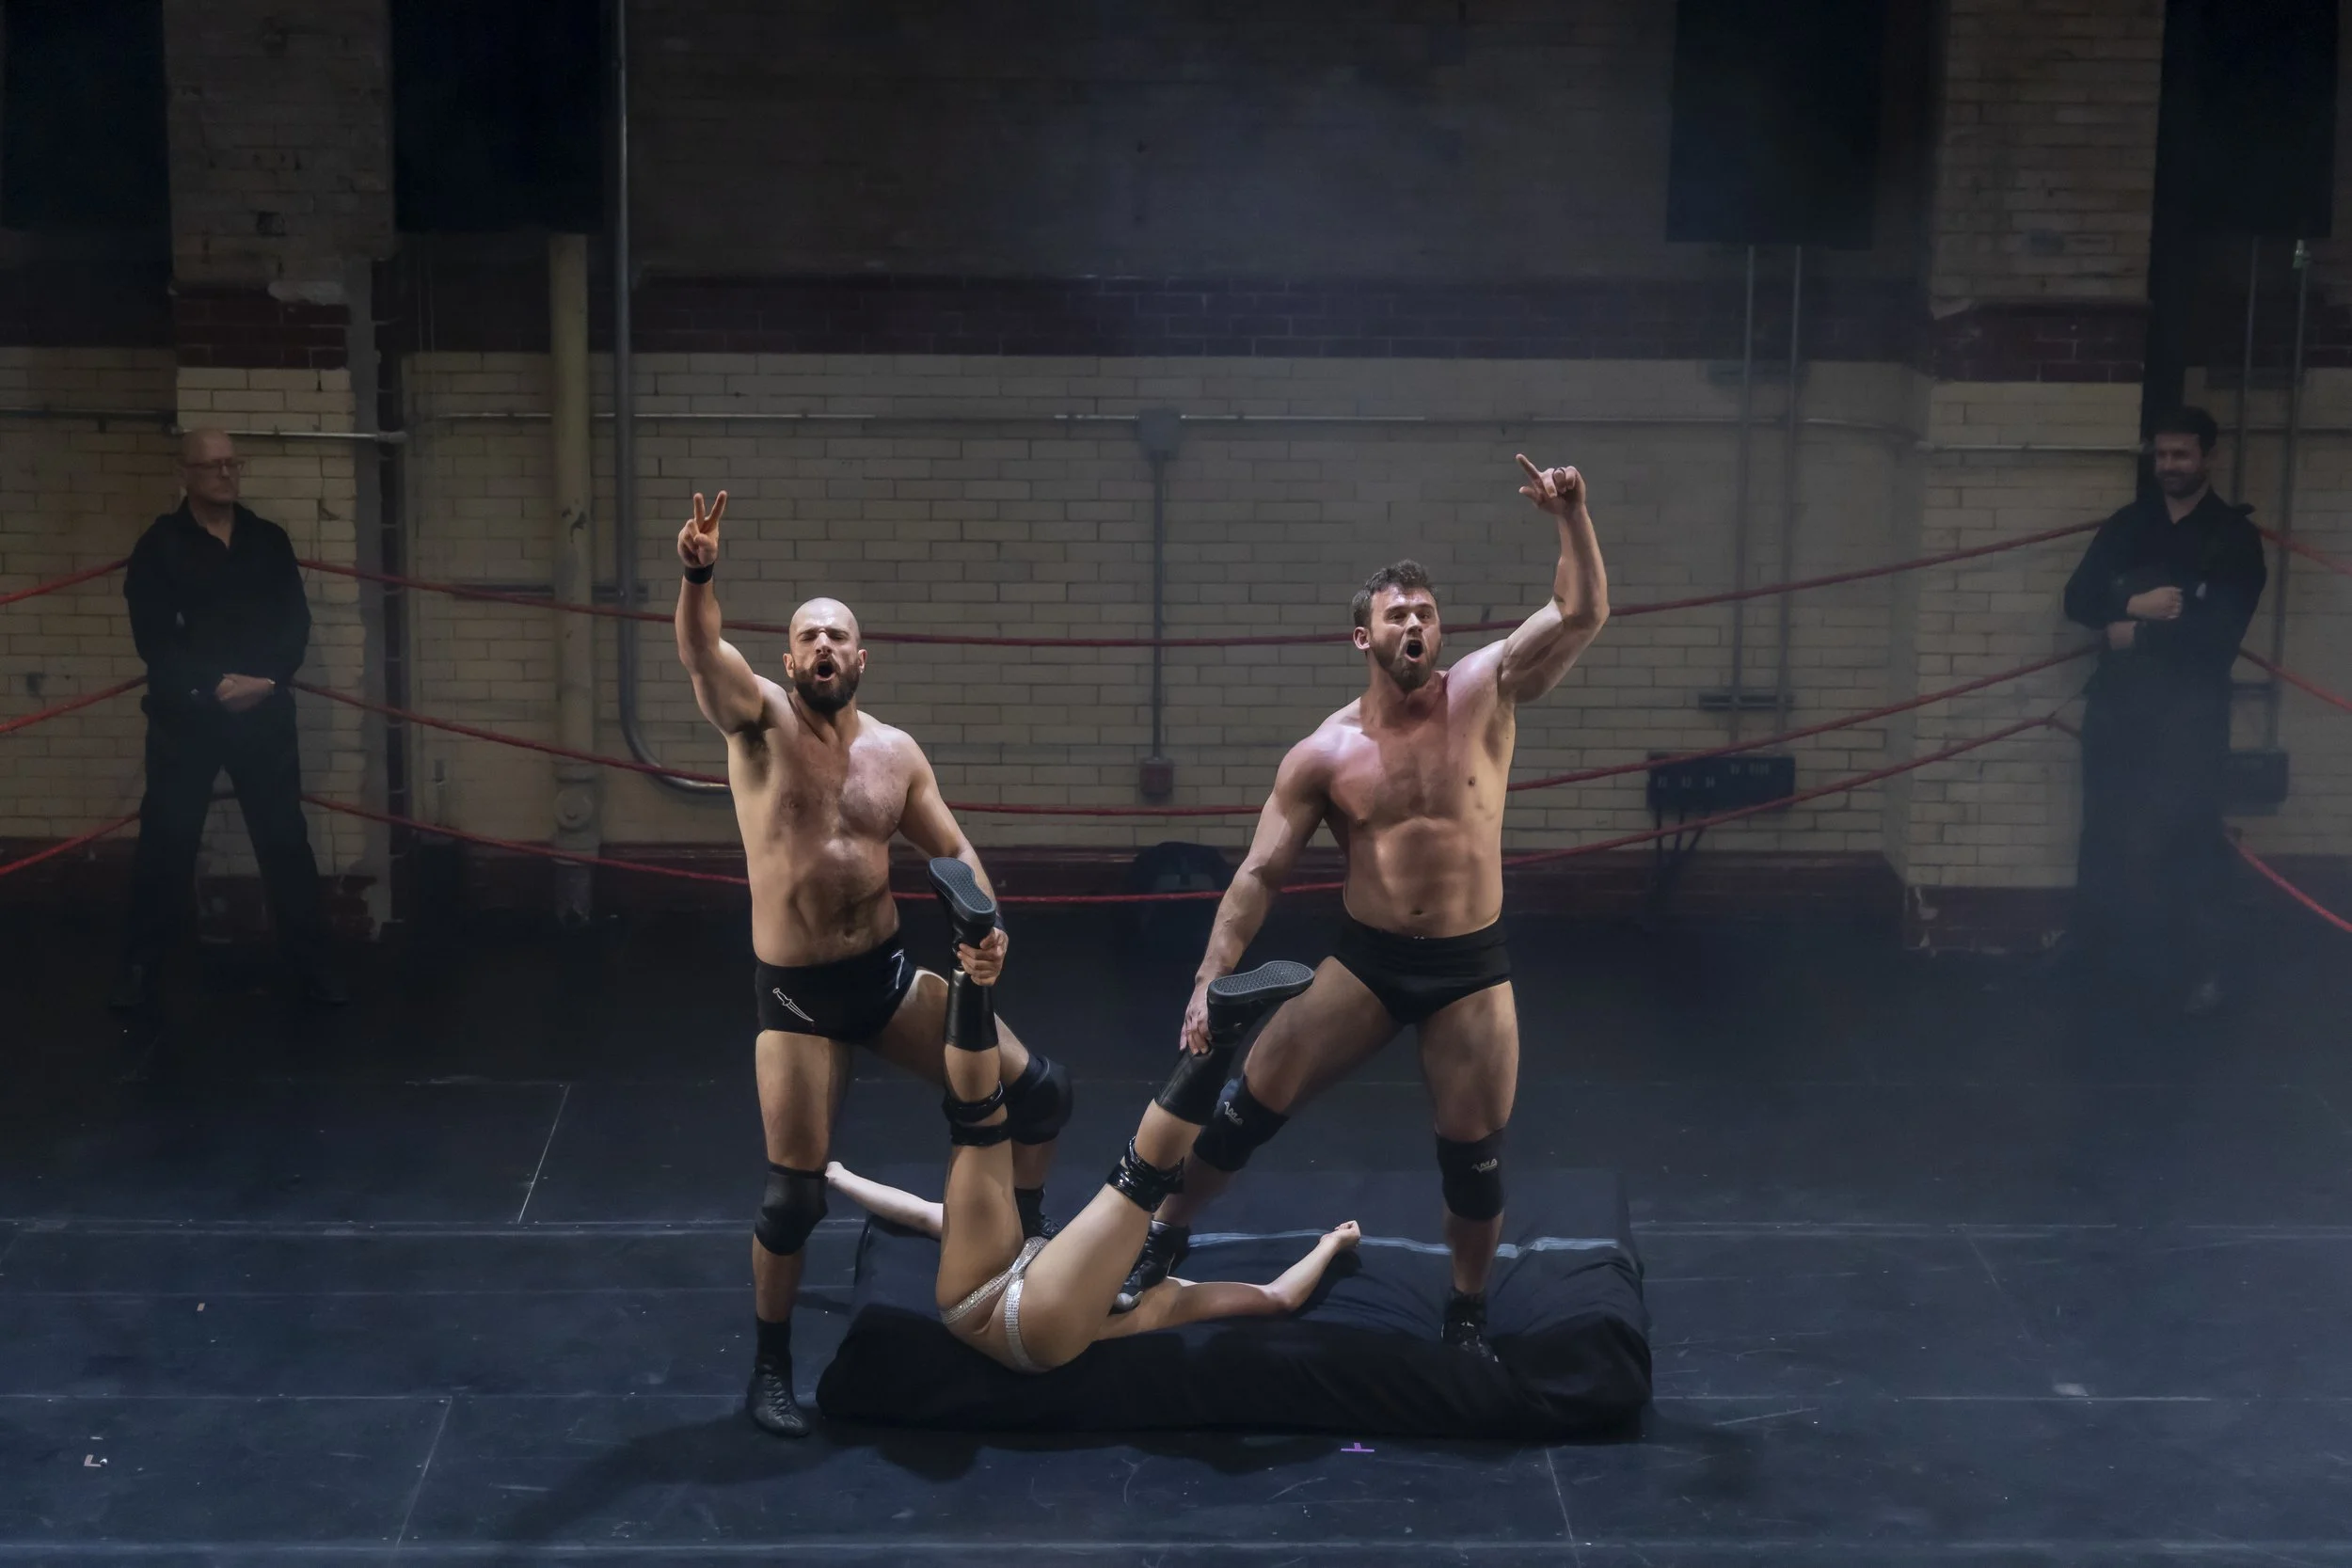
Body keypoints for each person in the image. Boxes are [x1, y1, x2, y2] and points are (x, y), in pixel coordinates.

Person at [1117, 454, 1611, 1358]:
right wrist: (1206, 984)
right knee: (1244, 1107)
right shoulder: (1324, 754)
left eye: (1426, 613)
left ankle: (1465, 1310)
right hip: (1370, 961)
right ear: (1364, 639)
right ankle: (1162, 1238)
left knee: (1472, 1156)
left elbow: (1582, 611)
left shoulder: (1489, 688)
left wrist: (1570, 516)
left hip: (1469, 967)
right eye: (1398, 615)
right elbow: (1258, 875)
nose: (1415, 625)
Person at [672, 490, 1073, 1437]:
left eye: (836, 637)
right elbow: (700, 652)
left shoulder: (894, 753)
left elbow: (955, 850)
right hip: (798, 998)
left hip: (888, 979)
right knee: (792, 1195)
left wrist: (983, 924)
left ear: (860, 657)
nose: (820, 647)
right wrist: (697, 576)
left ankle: (1019, 1246)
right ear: (787, 659)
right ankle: (770, 1364)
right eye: (806, 635)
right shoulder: (758, 726)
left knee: (1043, 1093)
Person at [846, 859, 1359, 1372]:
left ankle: (973, 955)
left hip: (1013, 1302)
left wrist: (837, 1174)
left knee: (1104, 1164)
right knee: (980, 1120)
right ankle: (972, 964)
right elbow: (1277, 1298)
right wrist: (1331, 1246)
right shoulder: (1153, 1294)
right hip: (989, 1312)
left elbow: (914, 1211)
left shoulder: (1138, 1284)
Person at [110, 429, 345, 1015]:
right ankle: (139, 971)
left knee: (285, 842)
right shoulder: (158, 547)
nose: (225, 473)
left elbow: (294, 621)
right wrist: (214, 686)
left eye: (231, 462)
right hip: (187, 718)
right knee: (166, 844)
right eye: (212, 465)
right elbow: (156, 639)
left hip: (262, 711)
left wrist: (265, 681)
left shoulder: (268, 541)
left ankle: (314, 967)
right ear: (184, 473)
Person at [2061, 406, 2265, 1014]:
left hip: (2190, 713)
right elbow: (2078, 598)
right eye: (2161, 455)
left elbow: (2219, 634)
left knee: (2191, 833)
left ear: (2209, 457)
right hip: (2120, 707)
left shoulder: (2233, 536)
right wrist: (2136, 599)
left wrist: (2133, 632)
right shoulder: (2129, 523)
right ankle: (2095, 958)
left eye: (2181, 455)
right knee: (2103, 826)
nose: (2169, 466)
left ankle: (2203, 971)